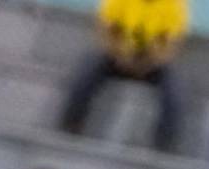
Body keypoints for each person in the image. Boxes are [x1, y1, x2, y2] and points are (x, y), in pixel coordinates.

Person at [59, 0, 188, 152]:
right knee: (86, 71)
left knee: (175, 91)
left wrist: (148, 63)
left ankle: (163, 146)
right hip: (117, 56)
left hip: (151, 63)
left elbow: (171, 45)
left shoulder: (174, 4)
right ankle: (70, 126)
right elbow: (104, 30)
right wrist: (121, 55)